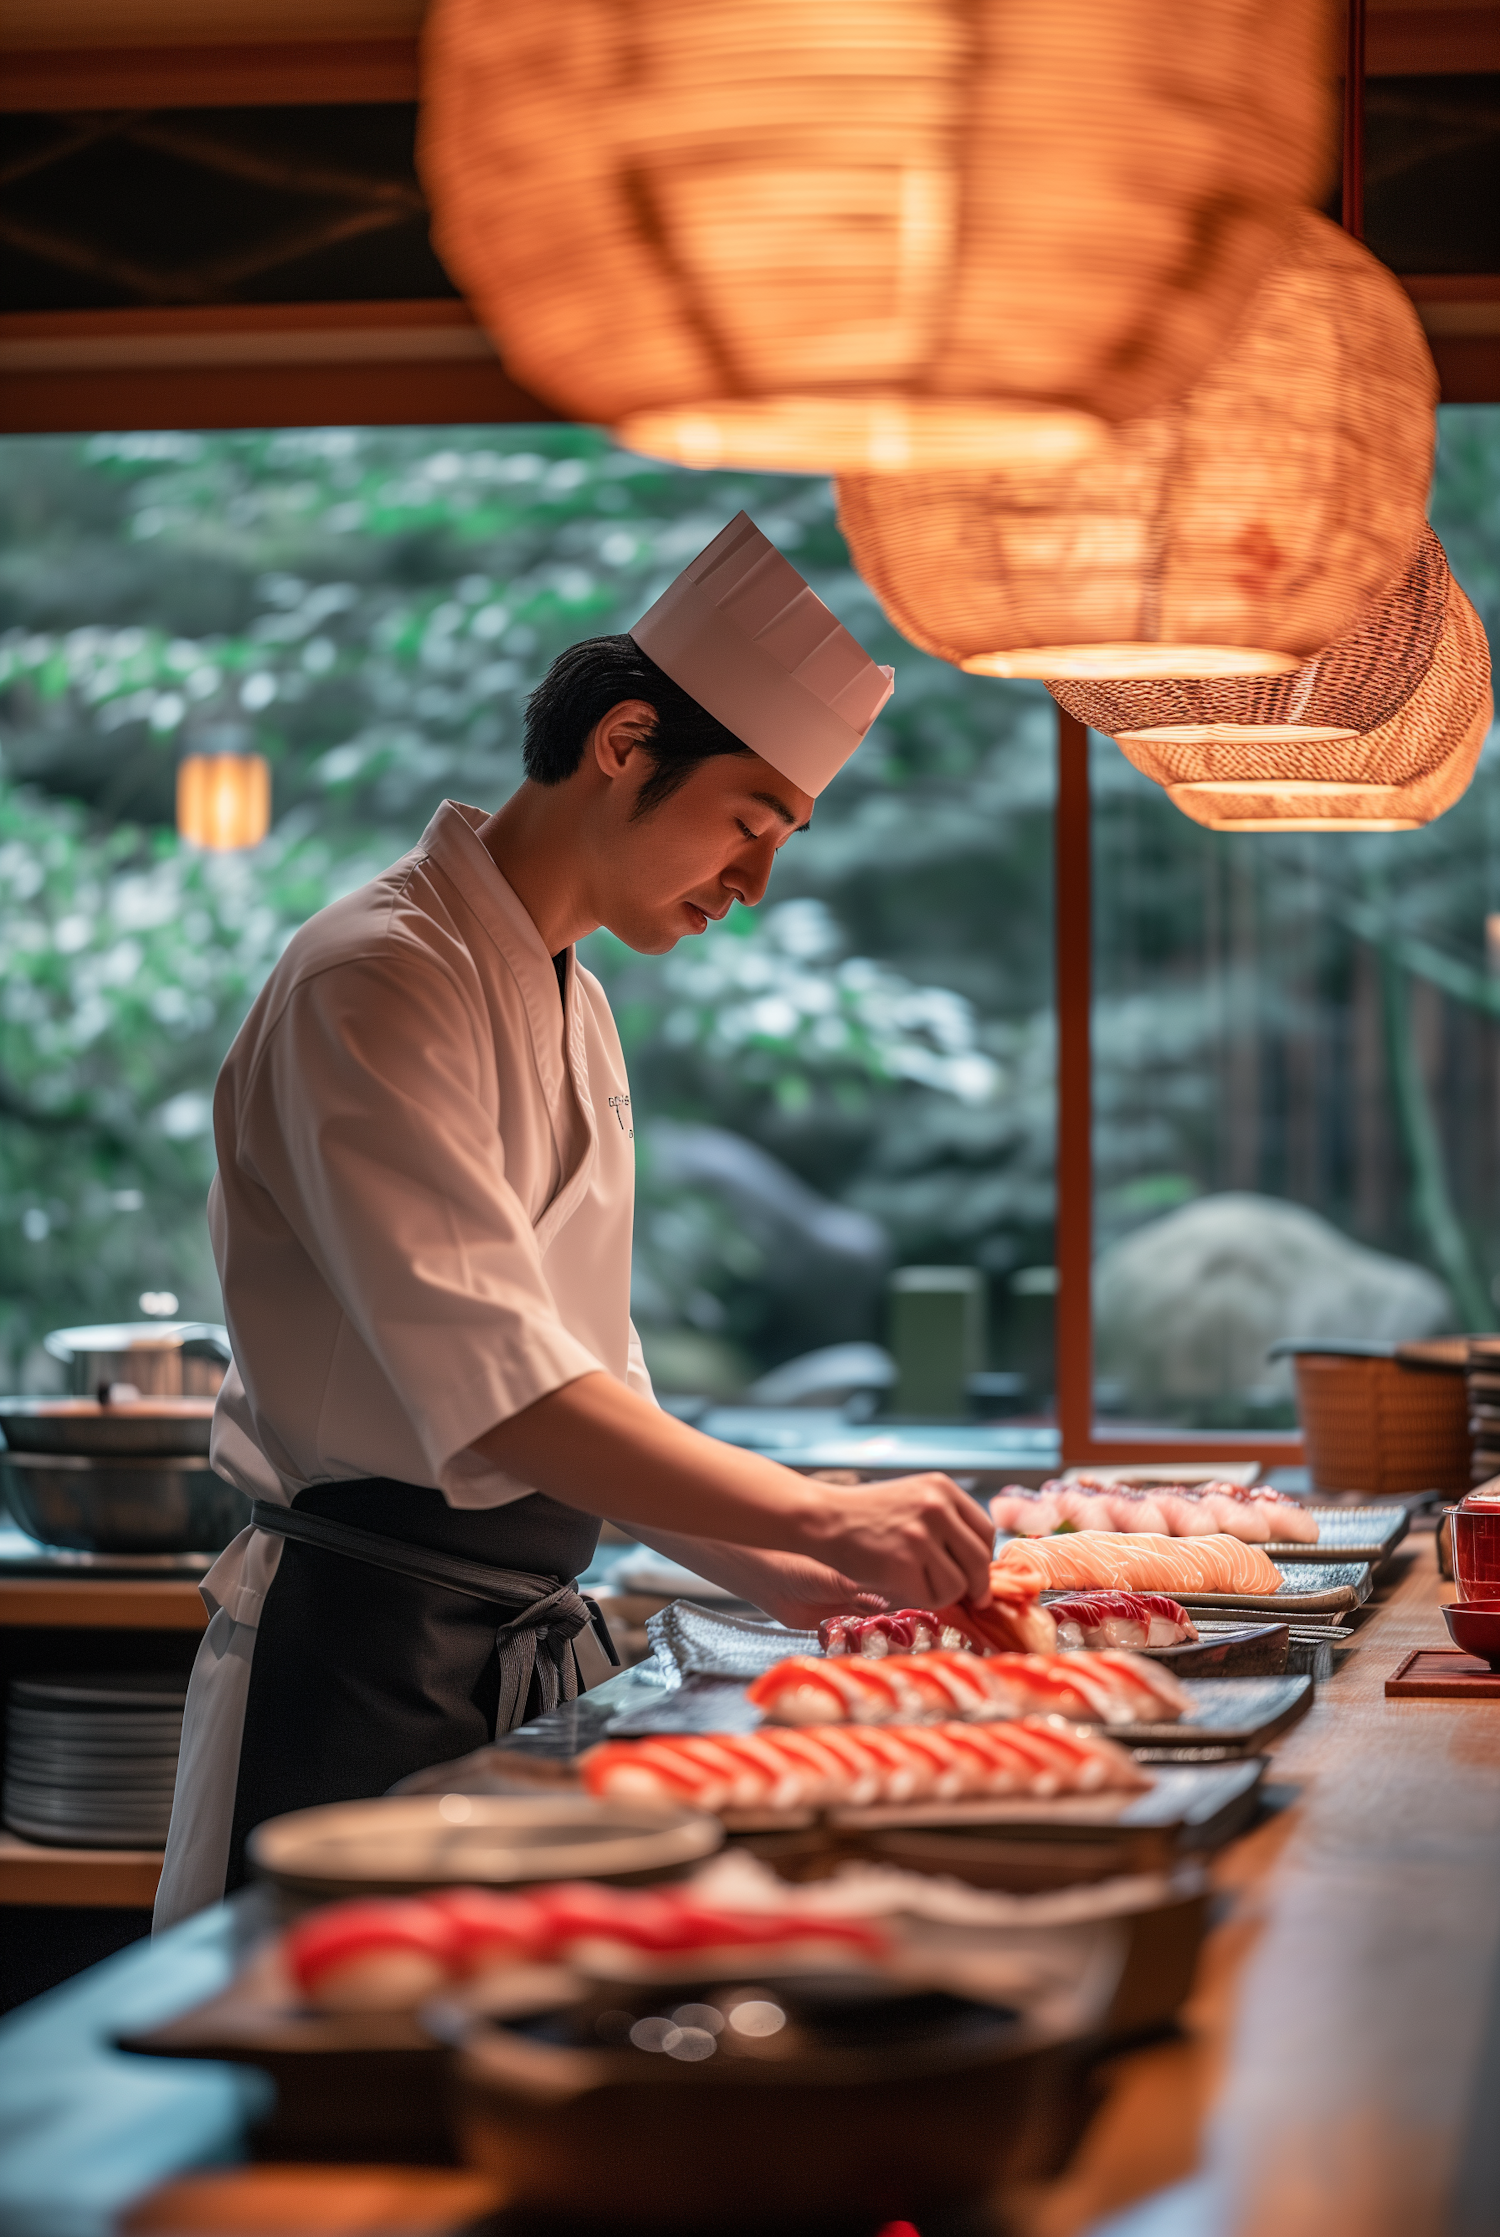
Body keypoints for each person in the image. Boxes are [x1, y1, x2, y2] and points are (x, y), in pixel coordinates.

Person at [154, 513, 994, 1929]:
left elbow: (598, 1395)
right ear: (624, 744)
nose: (755, 882)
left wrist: (810, 1582)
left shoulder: (576, 1000)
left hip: (514, 1659)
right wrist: (825, 1511)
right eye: (749, 820)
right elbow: (504, 1395)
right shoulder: (372, 979)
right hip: (356, 1659)